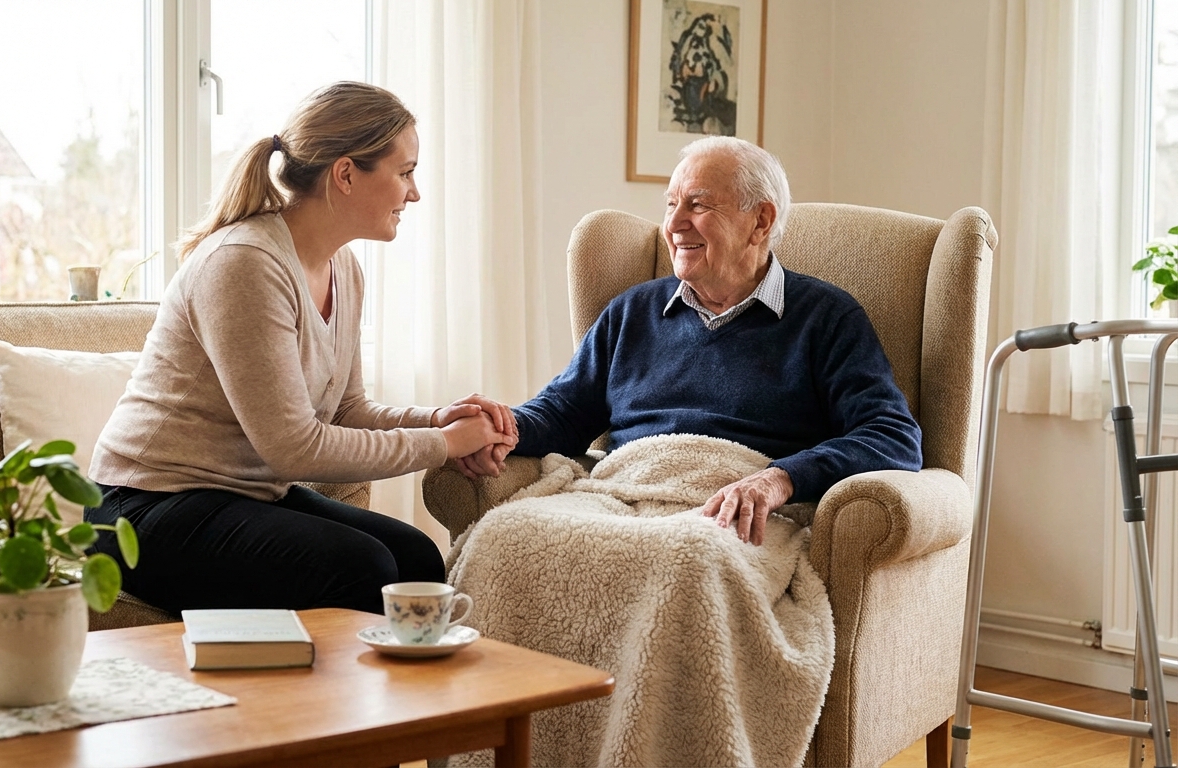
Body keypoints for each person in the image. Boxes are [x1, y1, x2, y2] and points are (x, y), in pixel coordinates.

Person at [85, 82, 517, 615]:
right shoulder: (246, 263)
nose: (415, 192)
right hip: (142, 508)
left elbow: (348, 411)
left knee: (415, 559)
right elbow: (294, 449)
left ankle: (398, 701)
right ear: (345, 174)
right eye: (404, 172)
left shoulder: (345, 269)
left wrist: (437, 419)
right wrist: (445, 444)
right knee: (363, 568)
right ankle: (305, 702)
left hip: (241, 495)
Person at [456, 135, 921, 546]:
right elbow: (564, 411)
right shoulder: (632, 311)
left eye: (698, 205)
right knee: (504, 536)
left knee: (691, 558)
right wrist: (499, 425)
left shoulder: (827, 318)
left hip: (730, 511)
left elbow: (893, 437)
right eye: (671, 204)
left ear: (760, 221)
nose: (675, 224)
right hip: (623, 495)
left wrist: (779, 480)